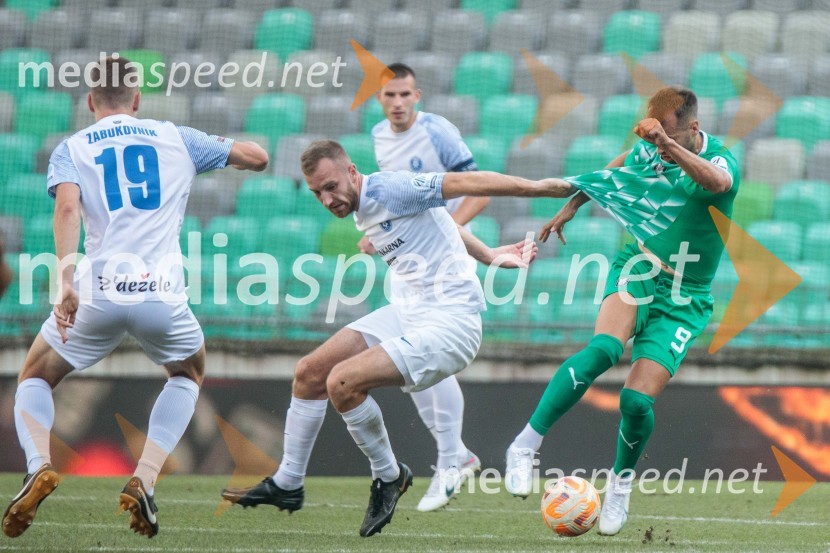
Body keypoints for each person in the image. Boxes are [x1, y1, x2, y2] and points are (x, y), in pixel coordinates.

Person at [221, 139, 576, 537]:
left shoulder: (392, 188)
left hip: (451, 324)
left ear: (352, 172)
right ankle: (288, 482)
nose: (326, 198)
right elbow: (443, 222)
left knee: (342, 383)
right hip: (411, 313)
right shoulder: (365, 204)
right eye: (317, 192)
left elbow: (471, 182)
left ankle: (389, 476)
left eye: (331, 186)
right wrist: (489, 255)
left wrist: (541, 188)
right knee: (310, 373)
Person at [1, 56, 268, 539]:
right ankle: (144, 478)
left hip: (97, 293)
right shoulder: (176, 137)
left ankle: (38, 465)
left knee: (35, 375)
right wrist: (228, 151)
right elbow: (256, 157)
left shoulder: (72, 147)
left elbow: (66, 209)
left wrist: (65, 280)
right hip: (160, 296)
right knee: (188, 373)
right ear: (137, 100)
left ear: (90, 101)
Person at [503, 86, 740, 536]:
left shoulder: (721, 160)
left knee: (635, 400)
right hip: (638, 267)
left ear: (693, 128)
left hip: (686, 295)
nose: (657, 150)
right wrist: (572, 205)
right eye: (654, 141)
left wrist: (665, 144)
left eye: (666, 138)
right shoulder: (650, 151)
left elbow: (717, 184)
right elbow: (611, 172)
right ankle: (524, 444)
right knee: (603, 351)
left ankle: (621, 483)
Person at [367, 62, 490, 512]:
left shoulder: (438, 132)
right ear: (379, 100)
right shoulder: (380, 138)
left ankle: (450, 459)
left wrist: (447, 231)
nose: (397, 103)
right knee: (410, 360)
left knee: (425, 354)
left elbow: (479, 189)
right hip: (406, 264)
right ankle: (457, 454)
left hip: (444, 262)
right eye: (389, 96)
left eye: (404, 95)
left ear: (417, 96)